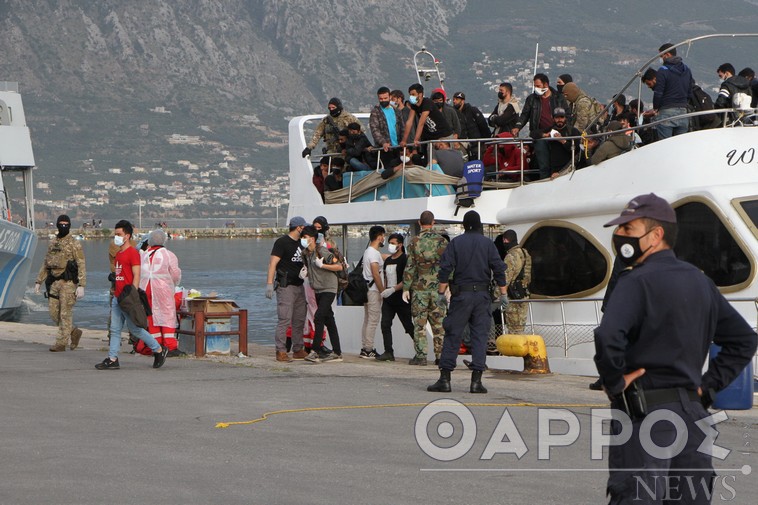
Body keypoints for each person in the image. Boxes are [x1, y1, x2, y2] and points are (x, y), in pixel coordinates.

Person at [594, 193, 757, 504]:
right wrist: (707, 389)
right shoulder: (700, 282)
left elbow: (608, 336)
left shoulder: (635, 282)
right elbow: (743, 340)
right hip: (692, 419)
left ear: (656, 235)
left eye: (628, 229)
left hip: (645, 417)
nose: (620, 236)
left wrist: (614, 382)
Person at [428, 211, 507, 393]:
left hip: (461, 296)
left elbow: (445, 269)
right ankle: (476, 382)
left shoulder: (456, 243)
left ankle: (445, 380)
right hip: (482, 296)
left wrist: (441, 293)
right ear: (479, 225)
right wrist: (503, 294)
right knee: (480, 336)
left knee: (453, 334)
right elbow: (499, 270)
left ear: (464, 225)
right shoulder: (487, 244)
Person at [96, 220, 168, 370]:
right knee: (115, 329)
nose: (116, 237)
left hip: (127, 298)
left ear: (127, 236)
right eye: (115, 234)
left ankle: (159, 349)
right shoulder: (119, 254)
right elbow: (121, 274)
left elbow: (137, 275)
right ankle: (112, 358)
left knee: (135, 329)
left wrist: (132, 295)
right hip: (117, 297)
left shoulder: (133, 253)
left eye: (119, 234)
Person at [34, 214, 86, 352]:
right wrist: (39, 281)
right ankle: (73, 331)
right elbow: (46, 263)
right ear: (57, 225)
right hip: (54, 283)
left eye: (66, 224)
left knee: (65, 314)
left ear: (69, 225)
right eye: (61, 224)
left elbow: (81, 264)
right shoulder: (53, 243)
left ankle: (61, 343)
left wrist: (81, 285)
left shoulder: (74, 243)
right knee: (53, 313)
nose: (63, 226)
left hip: (68, 283)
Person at [403, 211, 448, 366]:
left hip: (420, 290)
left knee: (419, 324)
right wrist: (448, 285)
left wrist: (406, 288)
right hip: (438, 290)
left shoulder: (414, 241)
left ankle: (421, 356)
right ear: (433, 222)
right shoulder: (442, 241)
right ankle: (440, 356)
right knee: (439, 324)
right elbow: (448, 266)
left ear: (419, 222)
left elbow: (410, 267)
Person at [266, 216, 309, 362]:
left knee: (299, 318)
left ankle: (298, 349)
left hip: (299, 285)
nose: (305, 230)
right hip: (286, 286)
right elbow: (273, 263)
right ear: (298, 228)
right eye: (303, 227)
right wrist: (269, 284)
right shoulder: (282, 242)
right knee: (284, 319)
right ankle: (281, 351)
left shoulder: (302, 244)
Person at [512, 74, 570, 179]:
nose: (536, 88)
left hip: (556, 135)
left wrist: (565, 131)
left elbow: (567, 115)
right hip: (540, 135)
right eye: (535, 86)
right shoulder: (531, 99)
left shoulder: (558, 98)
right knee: (543, 164)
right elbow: (525, 115)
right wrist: (517, 127)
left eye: (538, 86)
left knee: (557, 164)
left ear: (546, 84)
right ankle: (544, 183)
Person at [300, 226, 343, 363]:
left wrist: (323, 266)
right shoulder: (305, 254)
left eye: (305, 237)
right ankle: (337, 352)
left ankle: (315, 351)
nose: (303, 240)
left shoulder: (322, 251)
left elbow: (339, 266)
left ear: (312, 239)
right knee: (329, 319)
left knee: (319, 317)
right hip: (318, 289)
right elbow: (310, 269)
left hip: (329, 288)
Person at [138, 229, 182, 356]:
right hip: (162, 290)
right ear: (164, 240)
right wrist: (172, 285)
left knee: (151, 317)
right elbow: (175, 274)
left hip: (145, 289)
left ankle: (156, 346)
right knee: (167, 315)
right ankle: (170, 346)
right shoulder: (169, 255)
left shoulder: (144, 255)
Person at [376, 233, 414, 362]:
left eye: (393, 243)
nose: (390, 245)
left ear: (400, 245)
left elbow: (407, 280)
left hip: (401, 297)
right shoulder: (388, 260)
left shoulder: (405, 259)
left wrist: (393, 289)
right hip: (389, 299)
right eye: (390, 243)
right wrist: (385, 291)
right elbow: (386, 277)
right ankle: (388, 351)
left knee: (408, 325)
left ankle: (420, 350)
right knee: (385, 324)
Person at [400, 83, 453, 162]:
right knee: (430, 159)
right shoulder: (414, 105)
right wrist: (404, 140)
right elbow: (409, 122)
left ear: (420, 94)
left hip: (444, 135)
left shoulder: (427, 103)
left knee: (446, 159)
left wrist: (416, 139)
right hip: (432, 137)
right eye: (410, 95)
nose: (411, 97)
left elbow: (421, 123)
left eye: (413, 94)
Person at [652, 43, 693, 139]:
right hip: (683, 112)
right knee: (680, 145)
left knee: (665, 146)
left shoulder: (663, 70)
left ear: (667, 54)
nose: (661, 58)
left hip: (666, 111)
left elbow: (658, 93)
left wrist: (656, 108)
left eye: (661, 56)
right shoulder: (687, 70)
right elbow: (689, 92)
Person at [360, 225, 386, 359]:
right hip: (374, 291)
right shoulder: (374, 253)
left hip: (366, 290)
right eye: (383, 236)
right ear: (380, 236)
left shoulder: (368, 251)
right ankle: (368, 348)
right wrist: (383, 291)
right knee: (373, 320)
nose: (384, 239)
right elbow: (376, 274)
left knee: (367, 319)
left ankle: (365, 346)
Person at [369, 86, 404, 173]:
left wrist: (403, 141)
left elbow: (402, 127)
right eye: (381, 99)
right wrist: (383, 142)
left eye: (385, 98)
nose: (383, 100)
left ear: (389, 97)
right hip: (385, 149)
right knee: (388, 171)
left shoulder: (396, 111)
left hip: (398, 147)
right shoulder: (375, 112)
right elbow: (374, 130)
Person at [502, 230, 531, 334]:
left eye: (505, 240)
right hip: (524, 295)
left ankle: (515, 350)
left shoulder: (510, 256)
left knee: (513, 330)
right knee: (521, 328)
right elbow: (528, 275)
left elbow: (505, 279)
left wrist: (497, 294)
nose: (504, 242)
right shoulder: (525, 253)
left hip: (513, 297)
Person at [452, 91, 490, 160]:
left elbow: (483, 125)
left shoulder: (473, 110)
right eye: (453, 99)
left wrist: (487, 141)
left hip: (477, 144)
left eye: (457, 99)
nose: (454, 101)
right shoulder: (453, 113)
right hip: (462, 144)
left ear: (462, 101)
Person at [545, 107, 581, 178]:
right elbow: (534, 134)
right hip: (554, 169)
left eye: (562, 117)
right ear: (553, 119)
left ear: (565, 118)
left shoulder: (573, 131)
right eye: (557, 118)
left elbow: (576, 151)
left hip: (570, 167)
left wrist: (563, 141)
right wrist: (545, 135)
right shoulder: (550, 130)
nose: (559, 120)